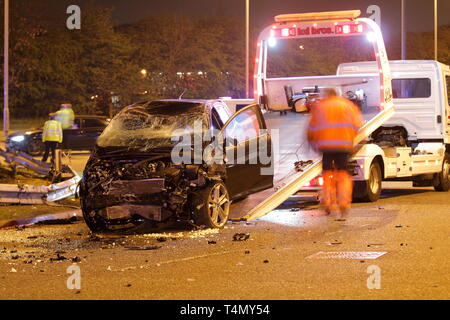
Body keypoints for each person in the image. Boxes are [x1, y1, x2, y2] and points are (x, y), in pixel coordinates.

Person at [307, 88, 363, 219]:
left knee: (327, 174)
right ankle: (344, 203)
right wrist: (353, 140)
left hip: (326, 146)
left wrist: (312, 142)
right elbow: (357, 124)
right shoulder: (347, 105)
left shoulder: (320, 107)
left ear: (327, 95)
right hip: (343, 146)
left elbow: (312, 127)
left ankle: (327, 202)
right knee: (343, 174)